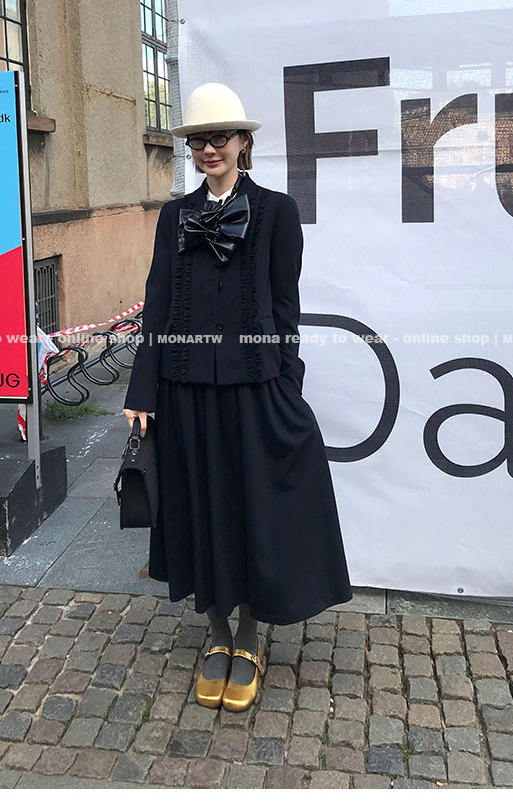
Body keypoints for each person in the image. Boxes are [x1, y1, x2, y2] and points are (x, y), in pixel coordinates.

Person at [123, 82, 352, 712]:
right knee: (199, 509)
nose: (208, 150)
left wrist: (285, 383)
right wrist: (142, 389)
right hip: (184, 391)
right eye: (199, 140)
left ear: (243, 142)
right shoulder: (173, 217)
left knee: (254, 510)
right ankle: (216, 634)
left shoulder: (277, 212)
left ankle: (249, 637)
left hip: (254, 389)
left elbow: (285, 307)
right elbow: (158, 306)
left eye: (219, 138)